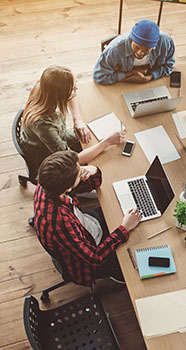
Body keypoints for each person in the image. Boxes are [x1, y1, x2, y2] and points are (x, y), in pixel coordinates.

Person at [34, 150, 141, 286]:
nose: (82, 169)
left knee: (121, 210)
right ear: (68, 188)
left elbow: (92, 184)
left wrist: (92, 170)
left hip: (86, 225)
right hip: (89, 257)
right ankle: (115, 273)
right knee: (133, 252)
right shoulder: (60, 222)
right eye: (79, 173)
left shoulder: (48, 184)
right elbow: (94, 257)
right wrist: (124, 228)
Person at [20, 66, 125, 178]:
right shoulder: (43, 126)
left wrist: (77, 120)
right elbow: (73, 160)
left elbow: (71, 97)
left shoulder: (45, 89)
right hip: (44, 154)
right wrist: (107, 142)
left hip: (58, 136)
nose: (76, 90)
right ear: (59, 95)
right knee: (100, 155)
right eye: (72, 89)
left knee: (91, 138)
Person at [93, 19, 175, 85]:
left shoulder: (166, 42)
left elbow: (169, 66)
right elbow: (99, 76)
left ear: (154, 46)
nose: (140, 53)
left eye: (146, 50)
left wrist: (149, 77)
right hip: (122, 86)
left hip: (149, 83)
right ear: (131, 39)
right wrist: (128, 76)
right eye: (137, 47)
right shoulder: (114, 50)